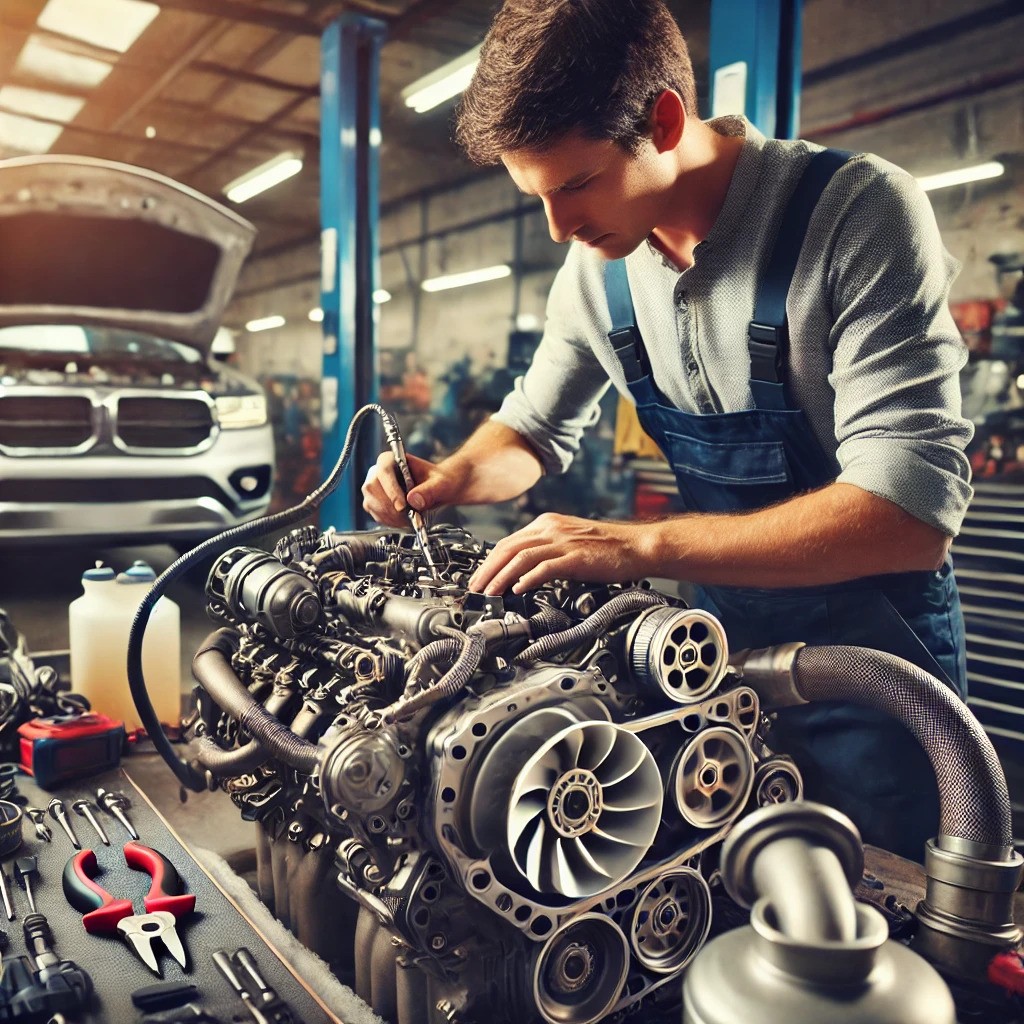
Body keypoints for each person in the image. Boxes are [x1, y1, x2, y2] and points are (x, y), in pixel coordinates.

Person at [362, 0, 973, 861]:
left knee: (884, 918)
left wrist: (643, 545)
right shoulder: (597, 272)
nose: (558, 228)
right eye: (535, 196)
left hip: (880, 665)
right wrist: (452, 477)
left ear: (666, 120)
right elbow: (531, 431)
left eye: (574, 185)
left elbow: (907, 518)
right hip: (710, 659)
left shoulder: (857, 215)